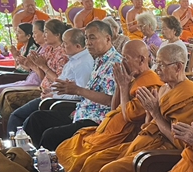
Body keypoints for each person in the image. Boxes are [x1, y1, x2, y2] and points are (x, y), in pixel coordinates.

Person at [84, 44, 193, 172]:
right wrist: (150, 112)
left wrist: (155, 112)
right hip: (144, 141)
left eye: (162, 64)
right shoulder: (165, 87)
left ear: (178, 67)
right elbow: (148, 125)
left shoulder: (189, 96)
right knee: (96, 160)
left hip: (161, 152)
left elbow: (180, 142)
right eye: (156, 62)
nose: (157, 68)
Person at [56, 40, 164, 172]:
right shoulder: (132, 78)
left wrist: (124, 87)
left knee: (87, 162)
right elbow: (114, 108)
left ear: (141, 60)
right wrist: (120, 85)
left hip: (122, 138)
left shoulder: (150, 84)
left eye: (126, 58)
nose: (122, 62)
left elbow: (129, 116)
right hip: (107, 131)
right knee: (65, 147)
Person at [22, 21, 121, 150]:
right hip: (80, 112)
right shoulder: (98, 60)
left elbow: (110, 100)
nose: (88, 42)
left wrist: (78, 90)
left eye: (92, 38)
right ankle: (32, 156)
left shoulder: (115, 64)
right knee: (36, 119)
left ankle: (46, 161)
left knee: (50, 136)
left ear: (108, 38)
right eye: (86, 38)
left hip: (97, 119)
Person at [7, 20, 70, 134]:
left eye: (46, 32)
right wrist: (30, 64)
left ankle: (18, 143)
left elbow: (59, 81)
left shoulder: (63, 54)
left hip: (53, 96)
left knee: (18, 117)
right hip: (43, 92)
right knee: (15, 114)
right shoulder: (48, 49)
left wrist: (42, 66)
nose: (44, 35)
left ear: (57, 35)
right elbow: (42, 75)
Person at [0, 21, 45, 121]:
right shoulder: (39, 49)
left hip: (34, 81)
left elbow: (36, 71)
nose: (16, 35)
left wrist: (28, 64)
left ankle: (0, 122)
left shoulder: (35, 49)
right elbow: (20, 66)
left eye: (35, 33)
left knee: (4, 91)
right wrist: (16, 57)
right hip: (29, 77)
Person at [0, 23, 39, 101]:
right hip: (18, 71)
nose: (16, 35)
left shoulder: (33, 49)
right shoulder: (23, 48)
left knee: (1, 77)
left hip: (25, 75)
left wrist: (17, 57)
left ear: (28, 36)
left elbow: (30, 69)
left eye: (19, 33)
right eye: (16, 32)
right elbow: (16, 66)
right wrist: (15, 57)